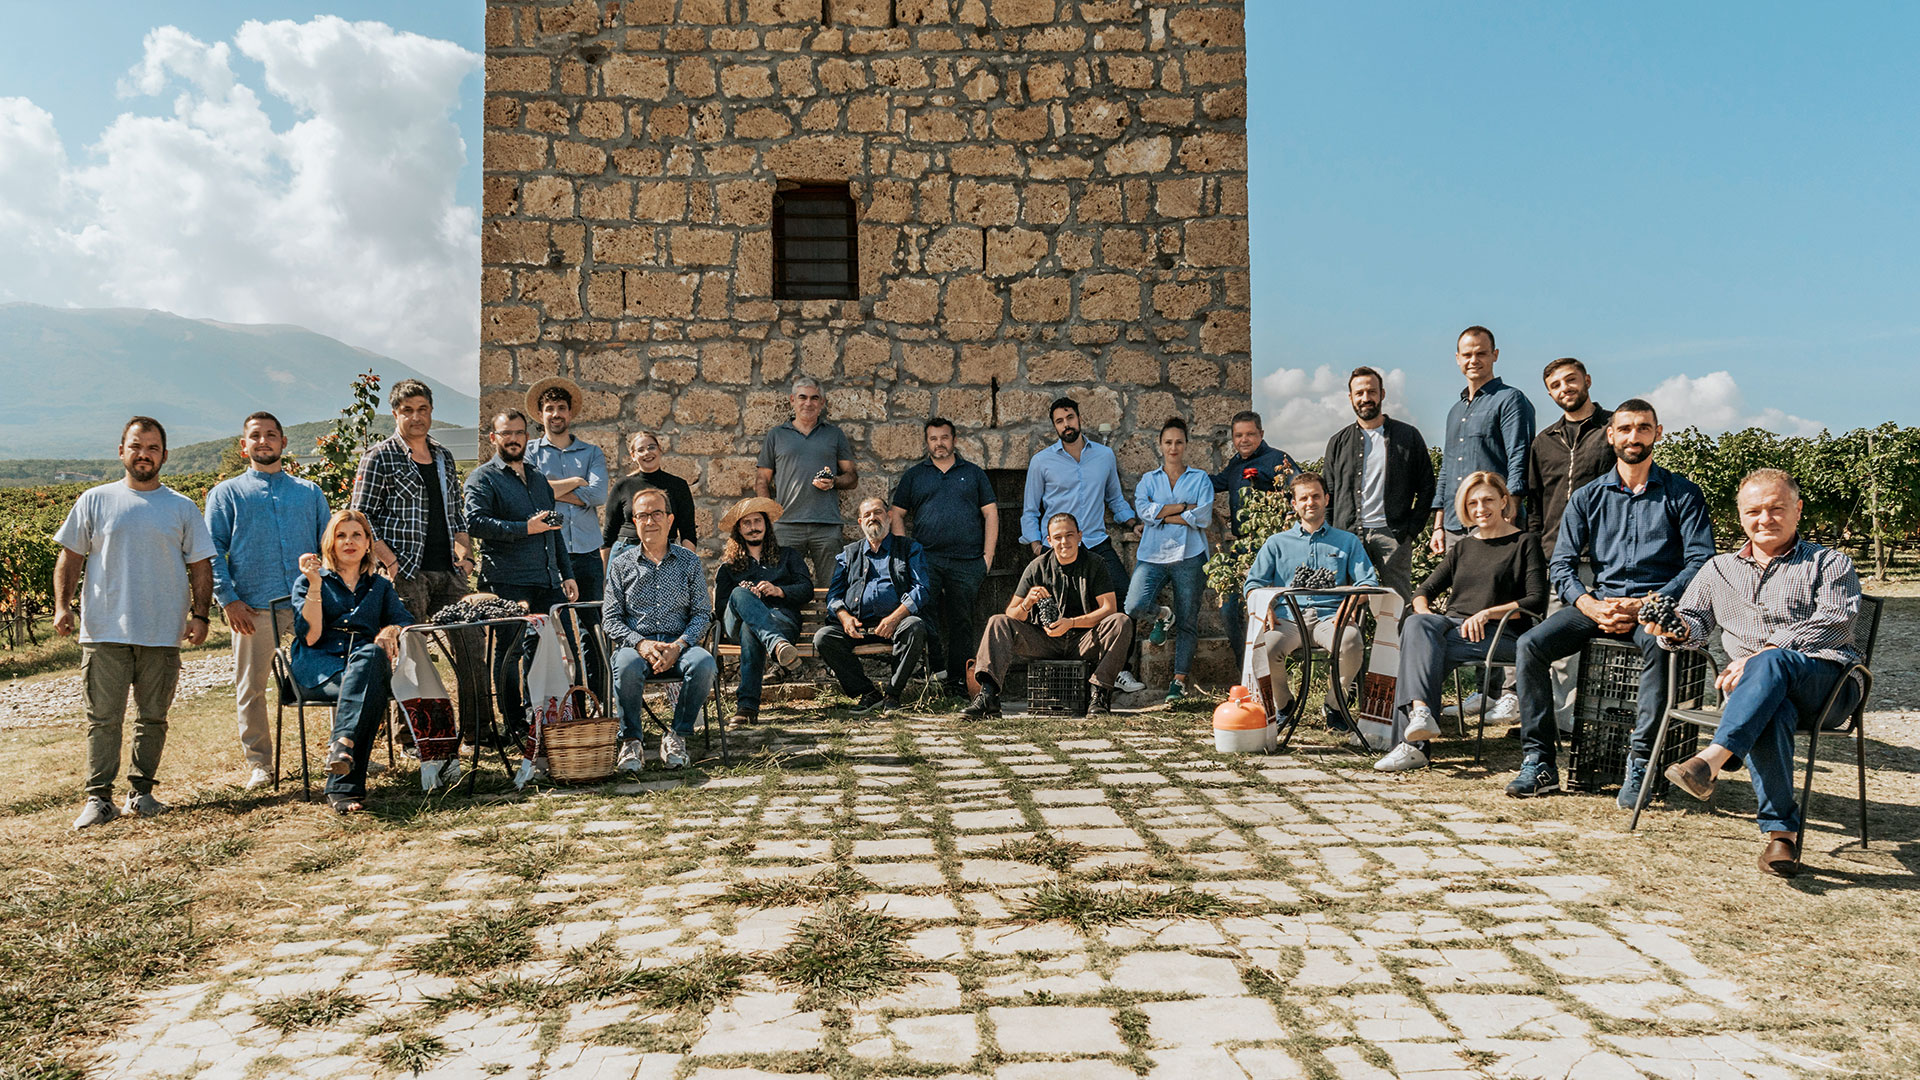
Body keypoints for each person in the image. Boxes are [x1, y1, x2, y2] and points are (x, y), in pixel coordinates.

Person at [1646, 469, 1862, 878]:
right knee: (1770, 706)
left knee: (1770, 663)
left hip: (1826, 688)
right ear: (1741, 516)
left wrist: (1765, 653)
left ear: (1797, 510)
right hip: (1757, 696)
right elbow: (1693, 623)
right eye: (1754, 511)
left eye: (1777, 508)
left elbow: (1836, 620)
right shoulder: (1717, 570)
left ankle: (1711, 758)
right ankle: (1782, 838)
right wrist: (1673, 630)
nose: (1765, 518)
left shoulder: (1830, 562)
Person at [1506, 400, 1714, 802]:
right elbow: (1562, 565)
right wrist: (1588, 605)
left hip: (1656, 606)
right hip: (1599, 603)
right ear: (1611, 435)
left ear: (1658, 433)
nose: (1633, 436)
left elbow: (1700, 562)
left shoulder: (1683, 494)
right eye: (1625, 429)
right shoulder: (1587, 497)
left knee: (1660, 643)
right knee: (1530, 645)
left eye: (1643, 428)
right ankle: (1540, 761)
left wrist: (1648, 604)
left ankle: (1641, 764)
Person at [56, 418, 216, 830]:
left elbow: (200, 565)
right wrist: (63, 606)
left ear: (164, 455)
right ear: (121, 450)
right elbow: (70, 557)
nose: (144, 453)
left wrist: (200, 615)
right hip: (104, 628)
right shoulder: (94, 500)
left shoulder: (181, 507)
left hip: (163, 631)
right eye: (136, 446)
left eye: (152, 447)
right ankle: (99, 798)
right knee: (103, 718)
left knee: (153, 718)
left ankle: (141, 793)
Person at [1372, 473, 1547, 772]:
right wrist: (1424, 610)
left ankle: (1413, 744)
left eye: (1488, 500)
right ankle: (1422, 715)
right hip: (1454, 629)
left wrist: (1488, 613)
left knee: (1417, 650)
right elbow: (1423, 591)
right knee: (1417, 625)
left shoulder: (1525, 542)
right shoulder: (1464, 547)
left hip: (1500, 633)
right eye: (1473, 502)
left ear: (1504, 501)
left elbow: (1535, 600)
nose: (1481, 508)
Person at [204, 411, 330, 789]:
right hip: (253, 609)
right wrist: (228, 600)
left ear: (283, 443)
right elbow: (212, 551)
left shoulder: (309, 493)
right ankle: (260, 764)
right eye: (255, 436)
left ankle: (340, 750)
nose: (264, 441)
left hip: (309, 604)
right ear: (244, 447)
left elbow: (330, 546)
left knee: (334, 674)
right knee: (251, 687)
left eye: (271, 435)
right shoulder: (226, 494)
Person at [464, 409, 578, 742]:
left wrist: (565, 573)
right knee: (510, 651)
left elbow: (553, 528)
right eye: (506, 433)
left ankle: (541, 714)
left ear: (527, 437)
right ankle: (513, 722)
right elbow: (475, 523)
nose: (513, 438)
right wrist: (523, 528)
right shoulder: (482, 478)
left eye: (519, 432)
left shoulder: (538, 477)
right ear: (493, 438)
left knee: (553, 648)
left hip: (546, 580)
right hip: (507, 580)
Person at [290, 510, 412, 814]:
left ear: (368, 542)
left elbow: (403, 620)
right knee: (368, 690)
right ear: (330, 543)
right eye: (341, 535)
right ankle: (343, 782)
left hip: (365, 666)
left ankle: (342, 746)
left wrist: (389, 629)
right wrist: (315, 585)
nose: (349, 541)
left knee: (370, 658)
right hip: (321, 668)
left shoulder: (380, 586)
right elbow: (311, 637)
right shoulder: (309, 582)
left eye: (357, 534)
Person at [1020, 396, 1144, 693]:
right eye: (1060, 421)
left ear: (1079, 418)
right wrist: (1038, 547)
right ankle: (1057, 680)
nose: (1066, 425)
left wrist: (1132, 523)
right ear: (1054, 427)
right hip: (1057, 549)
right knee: (1051, 609)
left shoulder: (1104, 456)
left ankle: (1118, 671)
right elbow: (1030, 510)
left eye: (1070, 418)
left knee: (1125, 602)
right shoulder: (1041, 462)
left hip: (1096, 544)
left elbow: (1114, 499)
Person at [1521, 357, 1615, 734]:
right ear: (1550, 393)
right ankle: (1563, 724)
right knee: (1560, 649)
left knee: (1604, 646)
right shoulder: (1543, 442)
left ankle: (1597, 721)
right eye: (1556, 385)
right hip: (1558, 556)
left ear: (1587, 380)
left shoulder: (1612, 430)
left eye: (1570, 380)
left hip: (1605, 554)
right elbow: (1536, 502)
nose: (1565, 389)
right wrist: (1538, 551)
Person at [964, 513, 1134, 720]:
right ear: (1049, 540)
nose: (1064, 542)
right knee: (997, 621)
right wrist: (1027, 602)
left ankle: (1099, 694)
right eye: (1058, 537)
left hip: (1084, 640)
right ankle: (988, 696)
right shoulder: (1037, 566)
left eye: (1070, 535)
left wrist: (1071, 623)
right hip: (1044, 640)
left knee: (1121, 622)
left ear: (1080, 536)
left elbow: (1109, 608)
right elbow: (1012, 613)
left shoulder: (1095, 563)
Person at [1243, 472, 1380, 721]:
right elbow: (1252, 584)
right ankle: (1285, 705)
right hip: (1287, 620)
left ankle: (1334, 705)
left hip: (1331, 619)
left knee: (1352, 641)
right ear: (1294, 504)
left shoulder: (1347, 542)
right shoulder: (1276, 543)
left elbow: (1368, 582)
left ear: (1326, 499)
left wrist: (1351, 603)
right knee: (1264, 648)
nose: (1310, 502)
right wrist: (1265, 606)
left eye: (1316, 496)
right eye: (1303, 498)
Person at [604, 488, 715, 770]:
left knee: (704, 663)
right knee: (626, 667)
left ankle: (677, 735)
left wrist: (679, 646)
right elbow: (611, 618)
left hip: (680, 645)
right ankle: (631, 742)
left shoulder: (689, 562)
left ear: (670, 519)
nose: (650, 520)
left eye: (657, 514)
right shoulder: (620, 565)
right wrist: (642, 644)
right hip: (636, 647)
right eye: (643, 515)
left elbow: (703, 613)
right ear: (635, 521)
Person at [889, 417, 998, 697]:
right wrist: (905, 553)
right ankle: (937, 674)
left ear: (954, 440)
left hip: (967, 561)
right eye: (934, 438)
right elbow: (897, 514)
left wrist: (988, 557)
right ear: (927, 442)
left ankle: (958, 683)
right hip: (927, 560)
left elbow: (991, 513)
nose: (940, 443)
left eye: (944, 437)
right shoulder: (915, 475)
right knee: (927, 618)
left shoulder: (973, 474)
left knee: (962, 622)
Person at [350, 378, 474, 621]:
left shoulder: (443, 457)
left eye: (422, 409)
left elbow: (456, 514)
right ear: (395, 414)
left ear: (431, 412)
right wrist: (391, 563)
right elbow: (362, 517)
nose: (416, 417)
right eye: (408, 410)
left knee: (471, 644)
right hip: (407, 571)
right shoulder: (379, 457)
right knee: (409, 648)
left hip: (449, 571)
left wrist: (467, 557)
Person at [1324, 367, 1435, 604]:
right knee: (1347, 606)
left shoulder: (1408, 436)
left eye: (1371, 391)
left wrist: (1411, 531)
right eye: (1360, 393)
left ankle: (1403, 643)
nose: (1366, 398)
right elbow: (1328, 495)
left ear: (1382, 394)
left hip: (1393, 535)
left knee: (1398, 604)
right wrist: (1331, 534)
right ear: (1350, 397)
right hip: (1348, 537)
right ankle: (1350, 643)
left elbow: (1427, 486)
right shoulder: (1337, 443)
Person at [525, 377, 609, 684]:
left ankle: (598, 705)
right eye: (549, 408)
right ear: (541, 415)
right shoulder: (531, 453)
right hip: (549, 553)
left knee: (594, 629)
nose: (556, 414)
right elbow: (532, 494)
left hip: (587, 552)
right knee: (551, 631)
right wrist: (576, 482)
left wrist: (551, 489)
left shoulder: (591, 453)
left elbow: (599, 496)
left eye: (561, 408)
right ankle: (562, 704)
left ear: (570, 414)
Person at [1124, 418, 1214, 702]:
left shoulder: (1200, 479)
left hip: (1190, 556)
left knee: (1188, 620)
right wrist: (1184, 509)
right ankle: (1163, 616)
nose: (1173, 447)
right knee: (1134, 604)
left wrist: (1163, 514)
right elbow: (1144, 512)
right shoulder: (1149, 480)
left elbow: (1203, 517)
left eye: (1178, 442)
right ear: (1160, 445)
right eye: (1168, 442)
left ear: (1186, 445)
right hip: (1153, 554)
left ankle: (1179, 682)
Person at [815, 498, 932, 714]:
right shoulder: (848, 554)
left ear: (888, 517)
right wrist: (844, 617)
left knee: (915, 626)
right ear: (860, 522)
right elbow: (834, 595)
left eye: (878, 512)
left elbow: (921, 588)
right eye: (867, 515)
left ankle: (892, 695)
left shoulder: (909, 548)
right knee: (824, 637)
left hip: (897, 624)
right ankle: (868, 693)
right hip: (858, 627)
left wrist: (895, 618)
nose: (872, 518)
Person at [1430, 326, 1536, 554]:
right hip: (1454, 525)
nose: (1473, 360)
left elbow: (1519, 456)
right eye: (1467, 355)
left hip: (1495, 519)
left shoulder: (1510, 400)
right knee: (1461, 590)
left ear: (1495, 355)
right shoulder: (1455, 411)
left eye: (1481, 353)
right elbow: (1447, 469)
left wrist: (1511, 511)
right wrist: (1438, 525)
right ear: (1458, 359)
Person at [714, 497, 814, 727]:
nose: (753, 527)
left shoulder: (787, 556)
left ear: (766, 525)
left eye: (757, 521)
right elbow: (720, 607)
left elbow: (806, 589)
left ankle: (747, 708)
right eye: (746, 523)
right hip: (736, 626)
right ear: (739, 530)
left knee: (753, 629)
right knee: (739, 594)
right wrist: (744, 595)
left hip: (781, 619)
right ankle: (777, 645)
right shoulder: (728, 566)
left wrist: (779, 590)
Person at [1211, 410, 1299, 659]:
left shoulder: (1278, 459)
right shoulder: (1235, 464)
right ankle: (1245, 668)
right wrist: (1181, 478)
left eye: (1250, 434)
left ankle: (1272, 670)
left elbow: (1300, 491)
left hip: (1271, 548)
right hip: (1241, 548)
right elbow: (1216, 483)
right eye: (1238, 435)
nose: (1244, 440)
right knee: (1228, 606)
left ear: (1261, 434)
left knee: (1270, 611)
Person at [756, 377, 857, 588]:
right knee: (781, 586)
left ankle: (830, 623)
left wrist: (834, 482)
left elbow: (852, 477)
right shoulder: (776, 435)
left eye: (814, 398)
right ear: (792, 400)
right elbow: (762, 480)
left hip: (826, 526)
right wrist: (767, 517)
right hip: (785, 526)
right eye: (802, 397)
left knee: (833, 587)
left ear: (822, 403)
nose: (808, 403)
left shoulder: (834, 435)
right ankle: (786, 623)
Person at [605, 430, 697, 560]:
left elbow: (688, 531)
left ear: (660, 450)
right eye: (640, 450)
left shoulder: (678, 485)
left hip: (666, 553)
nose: (647, 453)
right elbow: (609, 534)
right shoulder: (623, 485)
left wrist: (688, 566)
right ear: (633, 455)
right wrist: (603, 577)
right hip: (626, 551)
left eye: (651, 447)